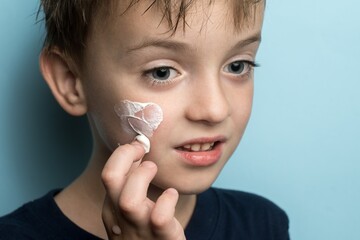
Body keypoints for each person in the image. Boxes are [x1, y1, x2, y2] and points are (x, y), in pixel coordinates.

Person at [0, 0, 290, 239]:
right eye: (162, 72)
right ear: (72, 81)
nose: (215, 109)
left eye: (238, 66)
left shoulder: (263, 225)